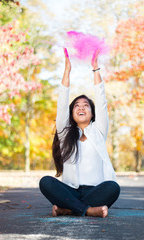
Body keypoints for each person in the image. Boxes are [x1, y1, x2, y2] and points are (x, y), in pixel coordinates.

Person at [39, 48, 120, 218]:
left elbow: (101, 100)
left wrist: (95, 69)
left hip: (96, 191)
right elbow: (61, 104)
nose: (81, 107)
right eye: (76, 105)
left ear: (92, 113)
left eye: (86, 105)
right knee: (45, 182)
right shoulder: (65, 132)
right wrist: (67, 71)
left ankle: (68, 209)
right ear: (72, 113)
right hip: (70, 191)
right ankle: (88, 210)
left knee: (113, 187)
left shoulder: (99, 130)